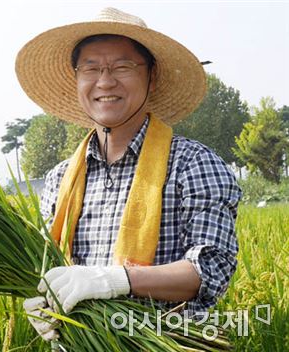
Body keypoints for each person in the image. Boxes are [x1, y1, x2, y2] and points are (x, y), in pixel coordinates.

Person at [15, 7, 241, 341]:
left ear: (151, 78)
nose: (105, 81)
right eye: (90, 68)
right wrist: (40, 302)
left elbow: (210, 269)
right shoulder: (59, 180)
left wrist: (116, 280)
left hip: (166, 343)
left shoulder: (192, 163)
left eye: (123, 66)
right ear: (76, 80)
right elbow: (49, 269)